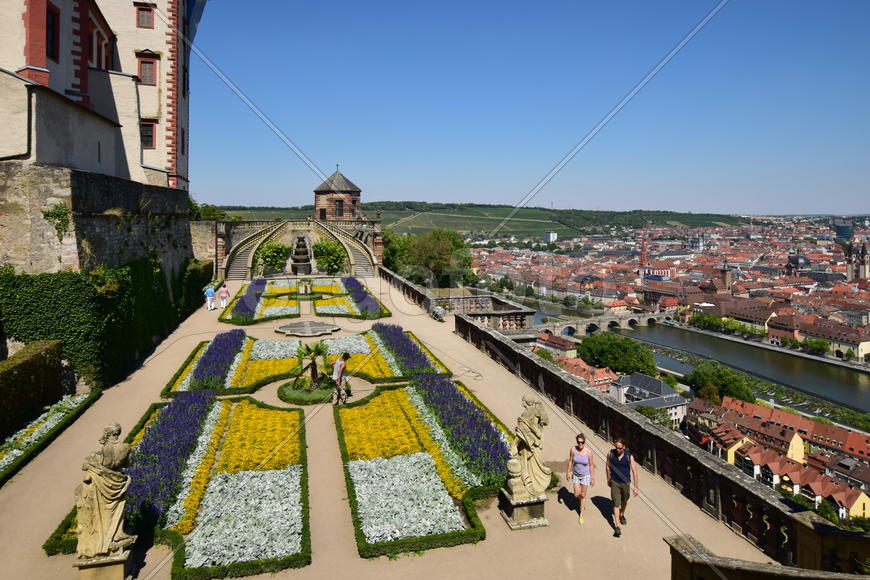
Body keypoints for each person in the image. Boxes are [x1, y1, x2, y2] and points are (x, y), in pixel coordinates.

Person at [74, 423, 136, 558]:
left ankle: (101, 542)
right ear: (118, 433)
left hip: (100, 484)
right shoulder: (125, 447)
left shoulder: (101, 451)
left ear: (107, 434)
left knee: (101, 513)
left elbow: (88, 467)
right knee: (116, 511)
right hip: (117, 482)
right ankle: (116, 534)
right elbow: (129, 464)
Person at [605, 437, 639, 538]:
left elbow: (634, 471)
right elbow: (607, 467)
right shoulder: (611, 454)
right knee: (616, 503)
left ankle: (621, 514)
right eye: (616, 447)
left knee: (624, 500)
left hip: (625, 483)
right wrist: (608, 479)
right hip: (614, 482)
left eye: (620, 448)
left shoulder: (629, 456)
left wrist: (636, 487)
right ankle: (617, 526)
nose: (618, 450)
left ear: (624, 447)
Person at [566, 432, 594, 524]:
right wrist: (568, 472)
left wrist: (592, 478)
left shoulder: (589, 452)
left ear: (585, 442)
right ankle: (582, 502)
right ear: (577, 441)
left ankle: (581, 514)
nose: (580, 444)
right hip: (576, 475)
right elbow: (570, 461)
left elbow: (591, 466)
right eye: (578, 442)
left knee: (583, 495)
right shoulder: (573, 449)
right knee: (576, 495)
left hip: (585, 475)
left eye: (582, 442)